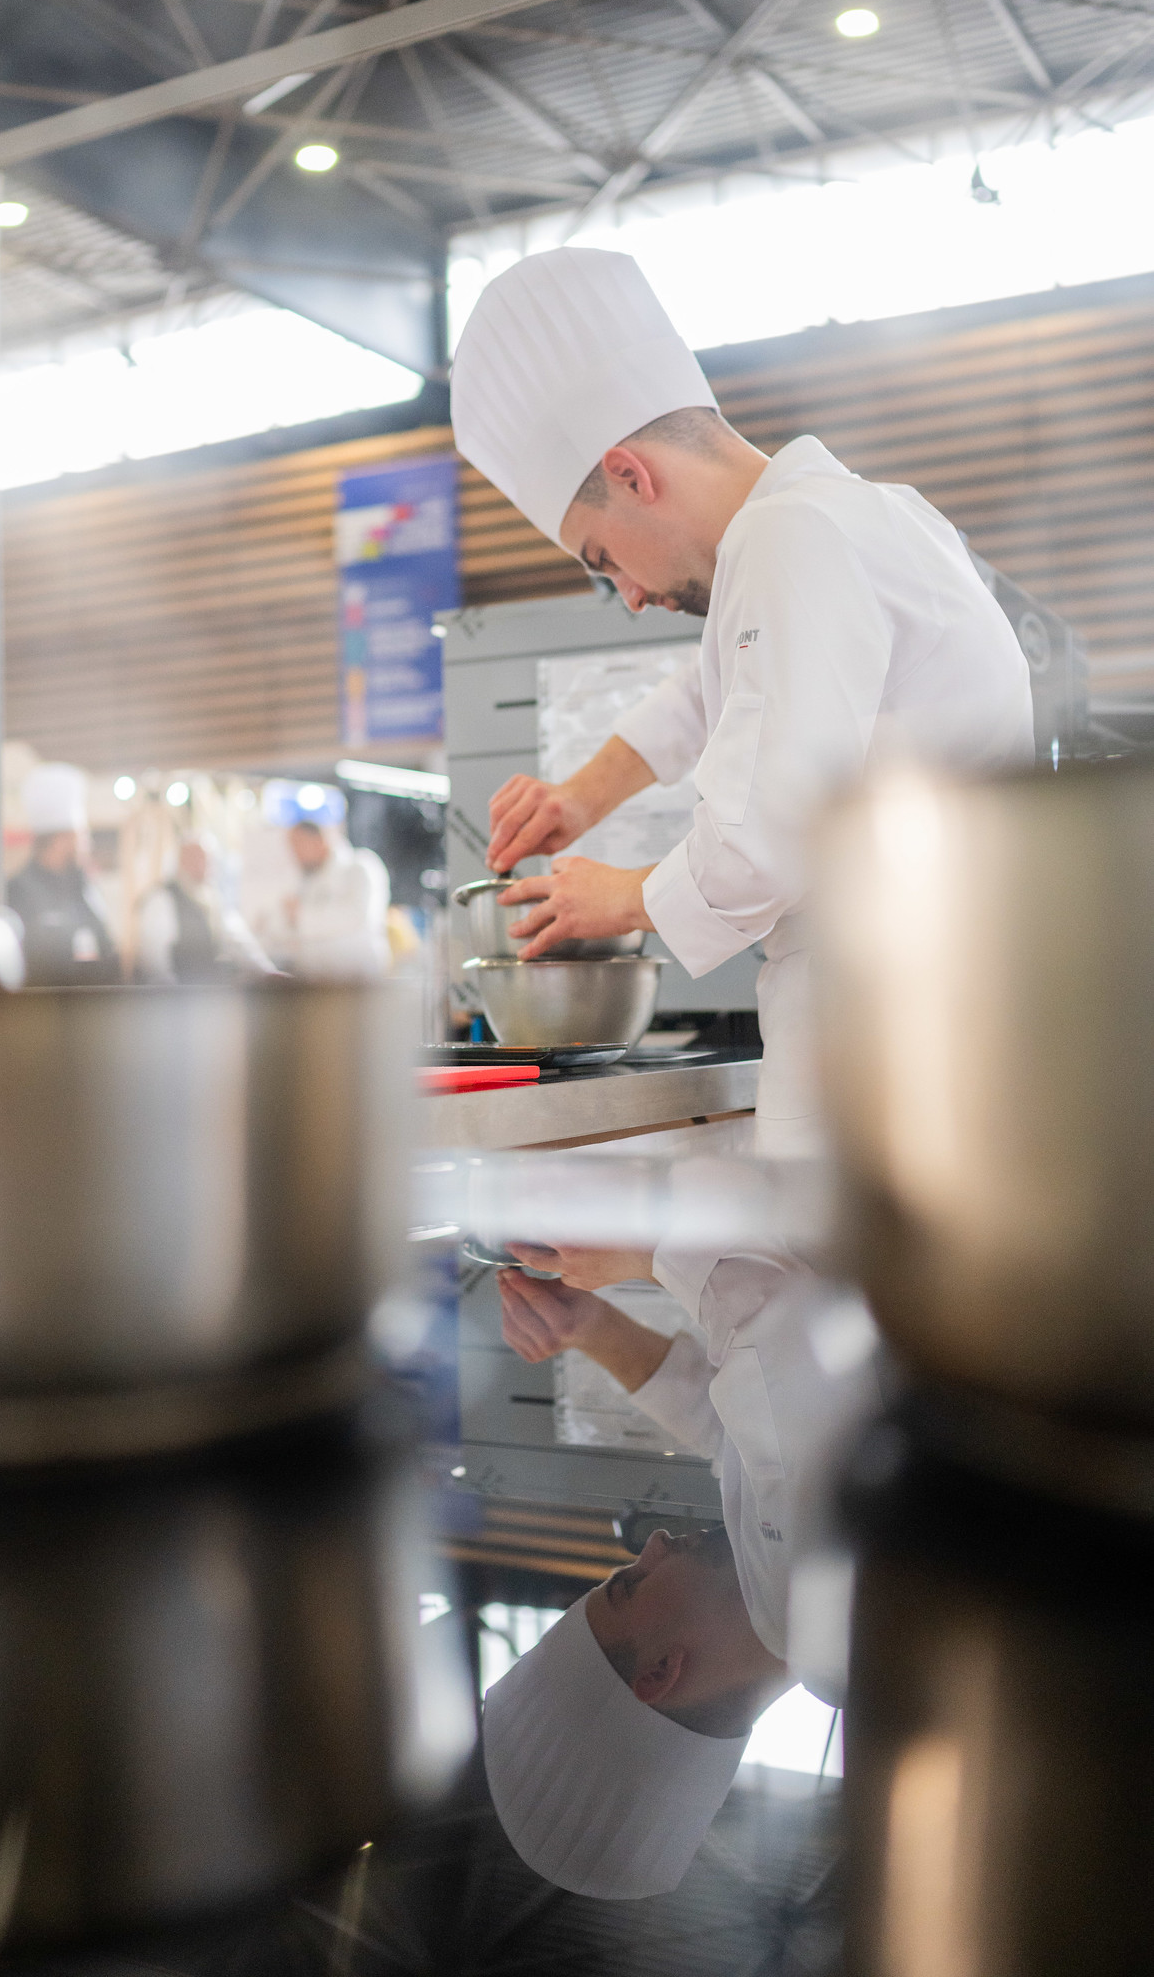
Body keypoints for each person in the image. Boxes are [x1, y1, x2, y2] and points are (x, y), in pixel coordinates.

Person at [452, 248, 1035, 1155]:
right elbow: (710, 691)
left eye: (603, 559)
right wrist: (579, 798)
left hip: (881, 1035)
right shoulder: (859, 516)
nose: (631, 596)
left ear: (631, 472)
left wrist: (618, 898)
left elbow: (759, 843)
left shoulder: (788, 535)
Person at [483, 1233, 880, 1898]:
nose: (655, 1543)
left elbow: (739, 1439)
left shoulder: (795, 1619)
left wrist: (591, 1326)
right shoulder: (826, 1625)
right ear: (660, 1673)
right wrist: (641, 1250)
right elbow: (778, 1317)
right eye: (629, 1586)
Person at [6, 763, 120, 986]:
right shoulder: (17, 892)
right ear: (60, 841)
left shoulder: (84, 888)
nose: (88, 844)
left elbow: (106, 949)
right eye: (82, 836)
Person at [254, 818, 391, 978]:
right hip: (318, 982)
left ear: (319, 840)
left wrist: (298, 915)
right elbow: (293, 933)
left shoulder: (360, 867)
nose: (294, 853)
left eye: (298, 844)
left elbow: (354, 916)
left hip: (358, 979)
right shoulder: (309, 882)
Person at [135, 836, 275, 982]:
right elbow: (155, 958)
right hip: (174, 995)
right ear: (181, 861)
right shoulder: (161, 899)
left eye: (207, 860)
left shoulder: (211, 898)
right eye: (197, 859)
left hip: (207, 993)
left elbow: (237, 940)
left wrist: (267, 972)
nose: (205, 865)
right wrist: (170, 995)